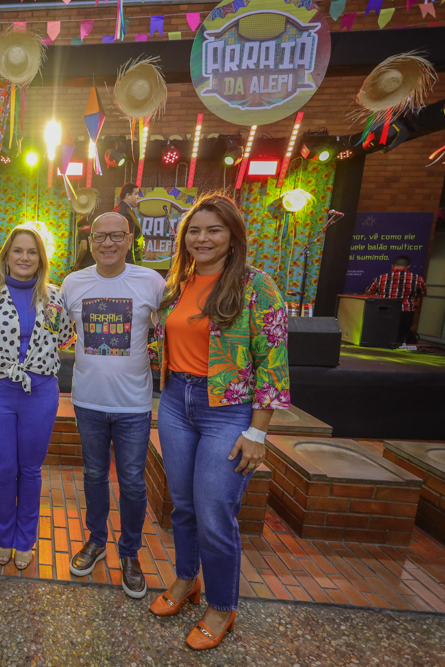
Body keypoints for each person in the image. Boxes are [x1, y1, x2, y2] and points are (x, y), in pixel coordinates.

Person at [149, 194, 290, 651]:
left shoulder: (256, 285)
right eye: (194, 230)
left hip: (228, 409)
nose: (202, 238)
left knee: (213, 511)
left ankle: (222, 605)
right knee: (183, 505)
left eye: (214, 230)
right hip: (177, 401)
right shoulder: (178, 282)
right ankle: (186, 579)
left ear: (233, 236)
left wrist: (258, 431)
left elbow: (273, 360)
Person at [61, 212, 166, 599]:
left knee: (133, 483)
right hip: (87, 401)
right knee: (93, 475)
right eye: (100, 236)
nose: (107, 243)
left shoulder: (151, 282)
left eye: (116, 236)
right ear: (89, 242)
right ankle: (96, 541)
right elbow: (54, 331)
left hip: (134, 405)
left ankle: (130, 553)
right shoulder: (73, 283)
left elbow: (170, 331)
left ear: (130, 239)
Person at [0, 224, 75, 571]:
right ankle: (4, 537)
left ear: (40, 258)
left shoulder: (53, 297)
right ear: (6, 257)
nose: (24, 257)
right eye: (18, 251)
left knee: (29, 470)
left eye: (31, 252)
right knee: (2, 470)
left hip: (40, 394)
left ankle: (25, 540)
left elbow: (63, 341)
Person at [365, 255, 427, 346]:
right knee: (401, 335)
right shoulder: (417, 279)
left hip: (385, 309)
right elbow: (423, 293)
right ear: (408, 266)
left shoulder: (381, 278)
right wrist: (413, 296)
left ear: (392, 266)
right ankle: (396, 348)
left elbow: (369, 292)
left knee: (384, 332)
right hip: (406, 310)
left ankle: (382, 348)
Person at [112, 183, 144, 264]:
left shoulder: (123, 209)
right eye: (136, 194)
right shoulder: (124, 212)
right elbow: (127, 240)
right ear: (128, 195)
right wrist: (131, 264)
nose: (138, 197)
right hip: (128, 262)